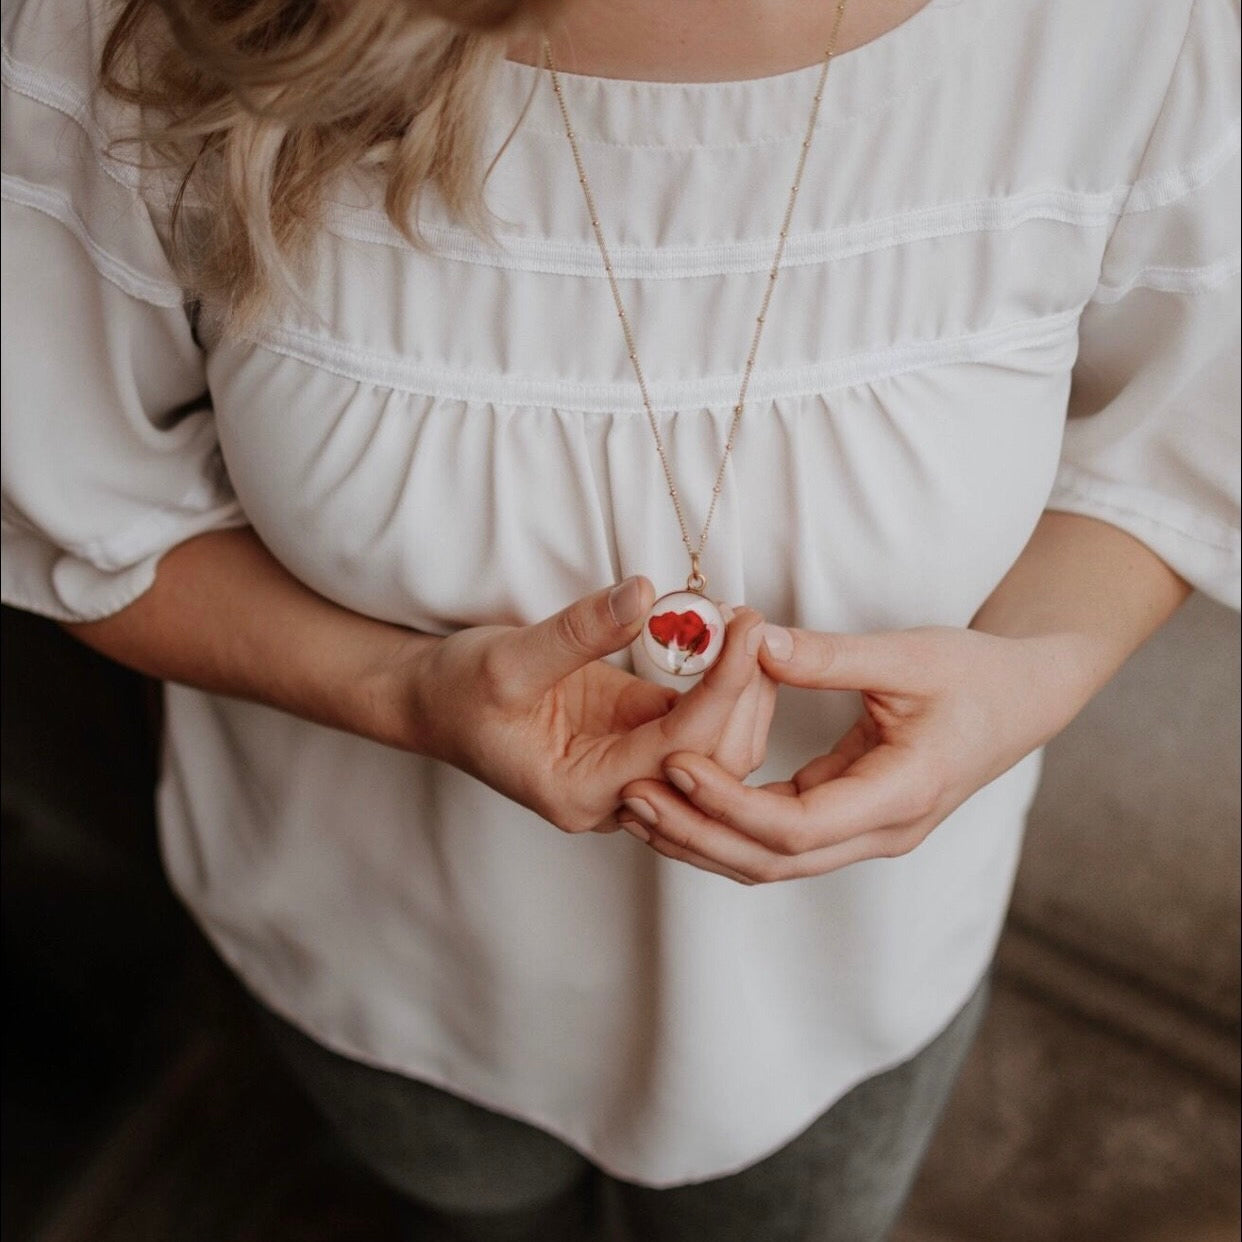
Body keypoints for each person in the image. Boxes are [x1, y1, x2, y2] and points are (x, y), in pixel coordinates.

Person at [2, 0, 1238, 1238]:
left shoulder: (1133, 28)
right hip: (387, 962)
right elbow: (81, 512)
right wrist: (400, 694)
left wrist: (1041, 667)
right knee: (456, 1206)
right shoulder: (157, 27)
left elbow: (1172, 435)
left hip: (841, 983)